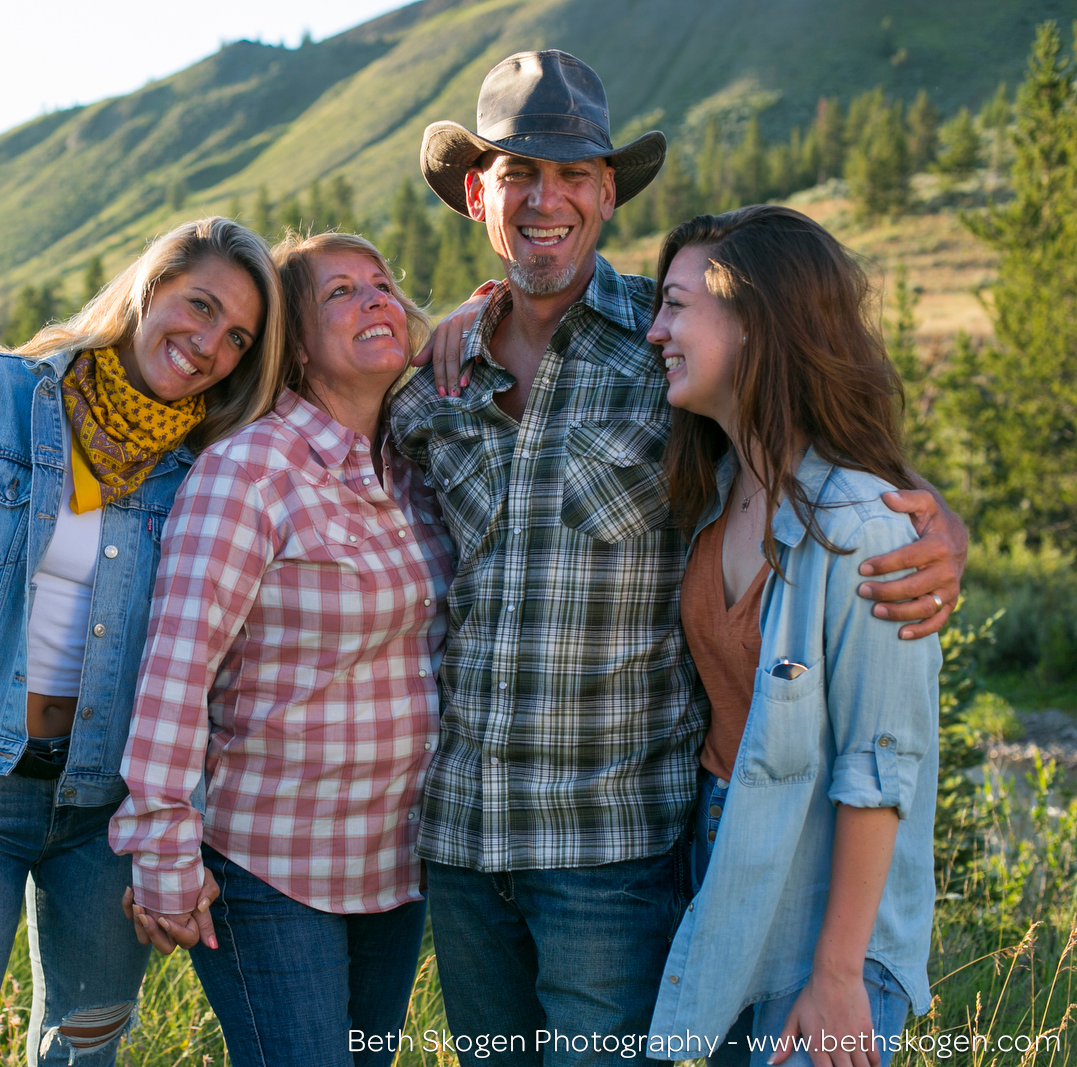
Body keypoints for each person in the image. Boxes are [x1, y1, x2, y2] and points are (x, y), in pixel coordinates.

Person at [390, 51, 967, 1065]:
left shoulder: (659, 355)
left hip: (611, 850)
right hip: (462, 844)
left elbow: (814, 443)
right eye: (518, 171)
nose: (545, 196)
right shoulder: (429, 383)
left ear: (606, 192)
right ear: (476, 192)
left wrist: (937, 524)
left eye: (573, 172)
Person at [0, 216, 285, 1067]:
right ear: (149, 288)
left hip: (105, 814)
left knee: (80, 1061)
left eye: (236, 337)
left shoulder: (204, 466)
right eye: (198, 306)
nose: (207, 345)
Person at [109, 231, 452, 1067]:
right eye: (340, 292)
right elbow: (175, 674)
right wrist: (162, 850)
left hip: (391, 865)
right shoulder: (249, 472)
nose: (375, 298)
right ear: (296, 347)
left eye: (381, 283)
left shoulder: (412, 463)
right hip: (270, 866)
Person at [646, 205, 937, 1067]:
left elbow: (882, 762)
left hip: (820, 906)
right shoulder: (720, 487)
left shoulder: (865, 525)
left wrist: (839, 971)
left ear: (754, 321)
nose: (655, 330)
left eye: (675, 305)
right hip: (722, 866)